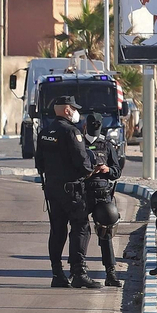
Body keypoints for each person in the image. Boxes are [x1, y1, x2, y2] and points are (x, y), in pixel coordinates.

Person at [37, 95, 110, 289]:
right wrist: (93, 168)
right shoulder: (72, 132)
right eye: (75, 108)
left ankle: (57, 273)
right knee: (81, 228)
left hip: (52, 189)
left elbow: (39, 163)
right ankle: (79, 272)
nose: (77, 112)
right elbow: (83, 162)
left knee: (57, 230)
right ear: (67, 110)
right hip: (72, 190)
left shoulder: (45, 131)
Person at [83, 112, 122, 287]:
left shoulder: (106, 145)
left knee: (106, 233)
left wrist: (107, 170)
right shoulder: (79, 143)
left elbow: (117, 171)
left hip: (102, 193)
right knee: (81, 233)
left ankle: (110, 272)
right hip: (82, 193)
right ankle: (79, 270)